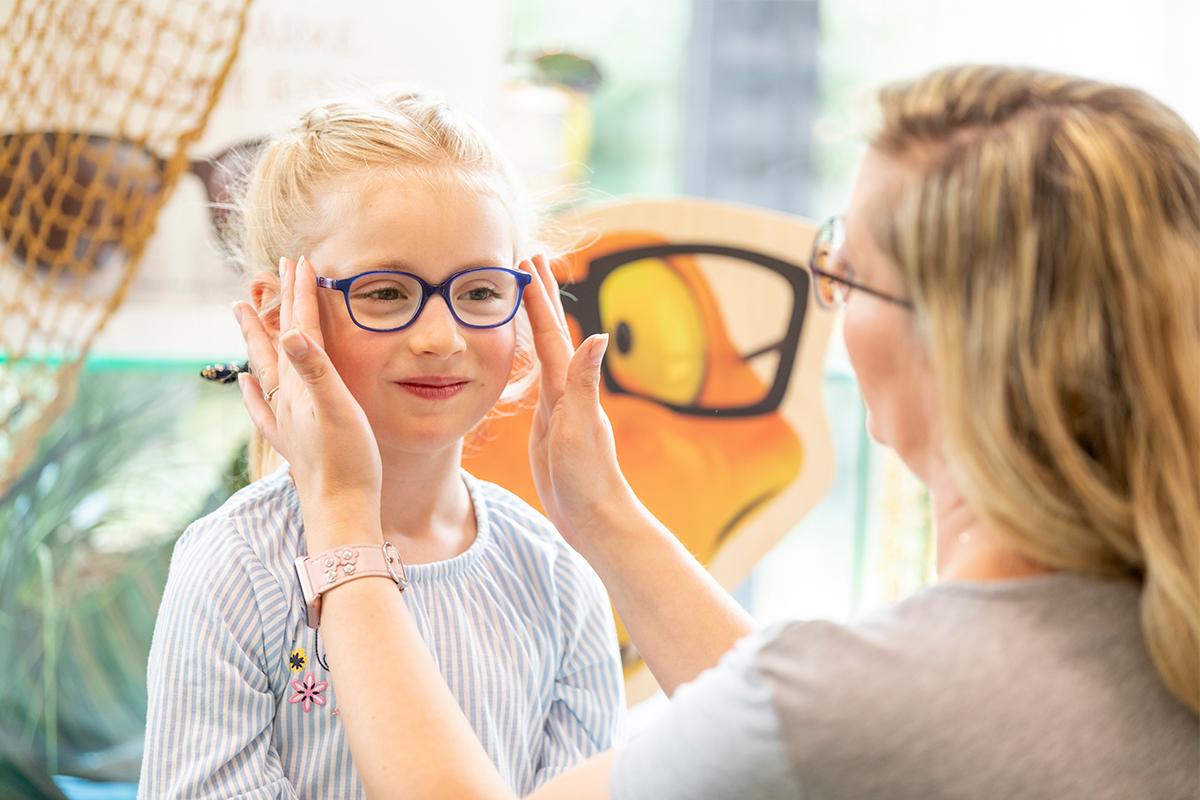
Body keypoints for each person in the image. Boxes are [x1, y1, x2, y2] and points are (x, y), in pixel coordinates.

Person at [233, 65, 1200, 799]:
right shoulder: (1157, 637)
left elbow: (806, 725)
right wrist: (602, 514)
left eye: (843, 270)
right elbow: (808, 730)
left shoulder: (847, 703)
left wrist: (344, 526)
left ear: (944, 343)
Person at [139, 90, 625, 799]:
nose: (440, 337)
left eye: (483, 291)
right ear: (280, 314)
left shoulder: (555, 578)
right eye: (387, 293)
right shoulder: (236, 568)